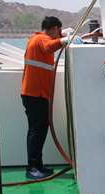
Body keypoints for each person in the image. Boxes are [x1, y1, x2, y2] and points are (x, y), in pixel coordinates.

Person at [20, 16, 75, 179]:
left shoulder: (36, 39)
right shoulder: (40, 39)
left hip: (37, 94)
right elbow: (49, 46)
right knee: (36, 132)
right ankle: (32, 168)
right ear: (55, 28)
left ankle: (38, 165)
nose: (60, 33)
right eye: (59, 30)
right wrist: (64, 40)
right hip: (35, 95)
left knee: (39, 130)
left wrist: (63, 36)